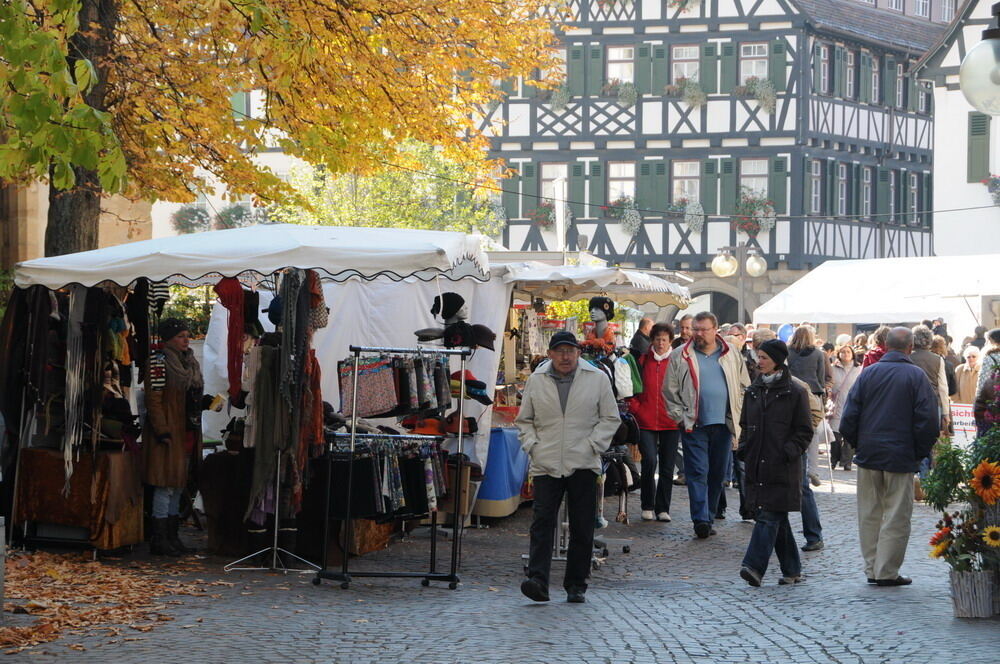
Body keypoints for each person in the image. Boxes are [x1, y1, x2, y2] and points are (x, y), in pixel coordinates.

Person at [517, 331, 621, 604]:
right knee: (542, 523)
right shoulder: (537, 380)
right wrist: (534, 446)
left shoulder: (596, 378)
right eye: (560, 351)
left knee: (582, 526)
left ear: (578, 353)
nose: (565, 356)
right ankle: (537, 580)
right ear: (550, 354)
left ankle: (576, 583)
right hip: (546, 460)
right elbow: (524, 420)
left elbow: (610, 418)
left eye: (570, 351)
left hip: (583, 461)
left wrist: (593, 445)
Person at [838, 327, 938, 586]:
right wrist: (918, 453)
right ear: (910, 348)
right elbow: (928, 421)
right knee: (896, 515)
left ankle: (872, 567)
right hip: (900, 456)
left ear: (885, 346)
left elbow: (849, 417)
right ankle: (886, 571)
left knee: (869, 514)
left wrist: (860, 445)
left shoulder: (868, 373)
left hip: (870, 454)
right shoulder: (915, 376)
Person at [663, 312, 751, 539]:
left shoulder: (731, 354)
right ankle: (700, 519)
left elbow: (743, 385)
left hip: (724, 423)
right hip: (694, 424)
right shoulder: (680, 355)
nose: (699, 334)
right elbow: (669, 392)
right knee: (698, 471)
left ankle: (709, 515)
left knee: (718, 473)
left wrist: (740, 415)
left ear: (716, 330)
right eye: (695, 329)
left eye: (703, 329)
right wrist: (679, 417)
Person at [737, 339, 814, 586]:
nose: (758, 362)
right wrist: (745, 448)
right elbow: (745, 425)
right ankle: (792, 570)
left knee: (768, 516)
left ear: (777, 361)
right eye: (758, 357)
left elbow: (804, 431)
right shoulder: (753, 390)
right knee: (775, 518)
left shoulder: (795, 391)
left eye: (764, 358)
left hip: (782, 467)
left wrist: (787, 452)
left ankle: (753, 566)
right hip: (757, 465)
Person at [143, 318, 216, 556]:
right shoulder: (159, 361)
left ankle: (173, 536)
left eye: (187, 335)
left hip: (186, 431)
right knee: (165, 485)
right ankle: (159, 538)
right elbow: (154, 398)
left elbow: (189, 396)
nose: (186, 340)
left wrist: (205, 403)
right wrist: (161, 430)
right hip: (167, 433)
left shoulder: (189, 363)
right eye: (181, 336)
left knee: (178, 484)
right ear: (169, 339)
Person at [628, 322, 680, 522]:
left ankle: (663, 508)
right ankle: (647, 504)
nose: (660, 343)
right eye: (657, 339)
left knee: (667, 467)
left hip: (671, 421)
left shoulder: (677, 362)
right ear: (652, 340)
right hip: (646, 421)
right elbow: (631, 389)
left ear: (670, 341)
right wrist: (637, 409)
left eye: (664, 340)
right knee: (649, 461)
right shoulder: (641, 360)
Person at [910, 325, 950, 436]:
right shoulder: (938, 359)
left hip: (910, 402)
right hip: (932, 404)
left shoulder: (907, 357)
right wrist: (945, 413)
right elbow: (943, 387)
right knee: (930, 439)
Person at [829, 344, 861, 470]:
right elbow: (829, 382)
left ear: (852, 354)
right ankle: (834, 459)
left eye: (848, 352)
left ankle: (847, 462)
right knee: (835, 437)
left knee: (849, 436)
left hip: (852, 405)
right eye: (843, 352)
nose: (846, 354)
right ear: (838, 354)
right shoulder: (833, 368)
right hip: (836, 405)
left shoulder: (859, 369)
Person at [975, 328, 1000, 401]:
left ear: (991, 342)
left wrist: (978, 400)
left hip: (995, 400)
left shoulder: (990, 357)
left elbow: (983, 382)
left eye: (987, 341)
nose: (985, 344)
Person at [931, 335, 957, 402]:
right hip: (943, 400)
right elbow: (953, 390)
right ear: (943, 347)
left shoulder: (925, 362)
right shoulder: (948, 365)